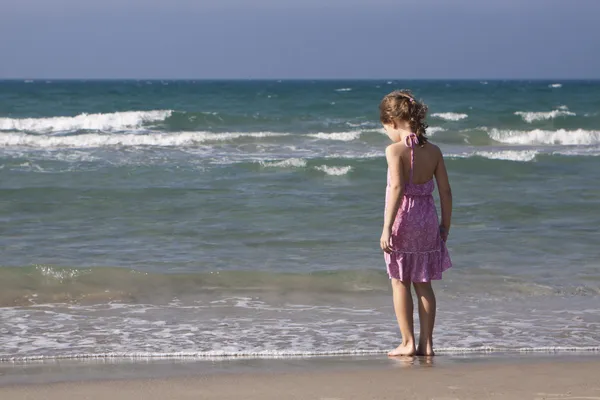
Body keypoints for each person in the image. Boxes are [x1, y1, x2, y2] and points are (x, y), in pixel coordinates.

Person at [379, 90, 452, 357]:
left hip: (403, 219)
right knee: (423, 282)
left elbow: (397, 187)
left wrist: (387, 227)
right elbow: (445, 191)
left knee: (399, 280)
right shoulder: (433, 151)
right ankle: (427, 343)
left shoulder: (394, 150)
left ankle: (407, 342)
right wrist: (446, 224)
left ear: (393, 122)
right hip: (428, 218)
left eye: (385, 127)